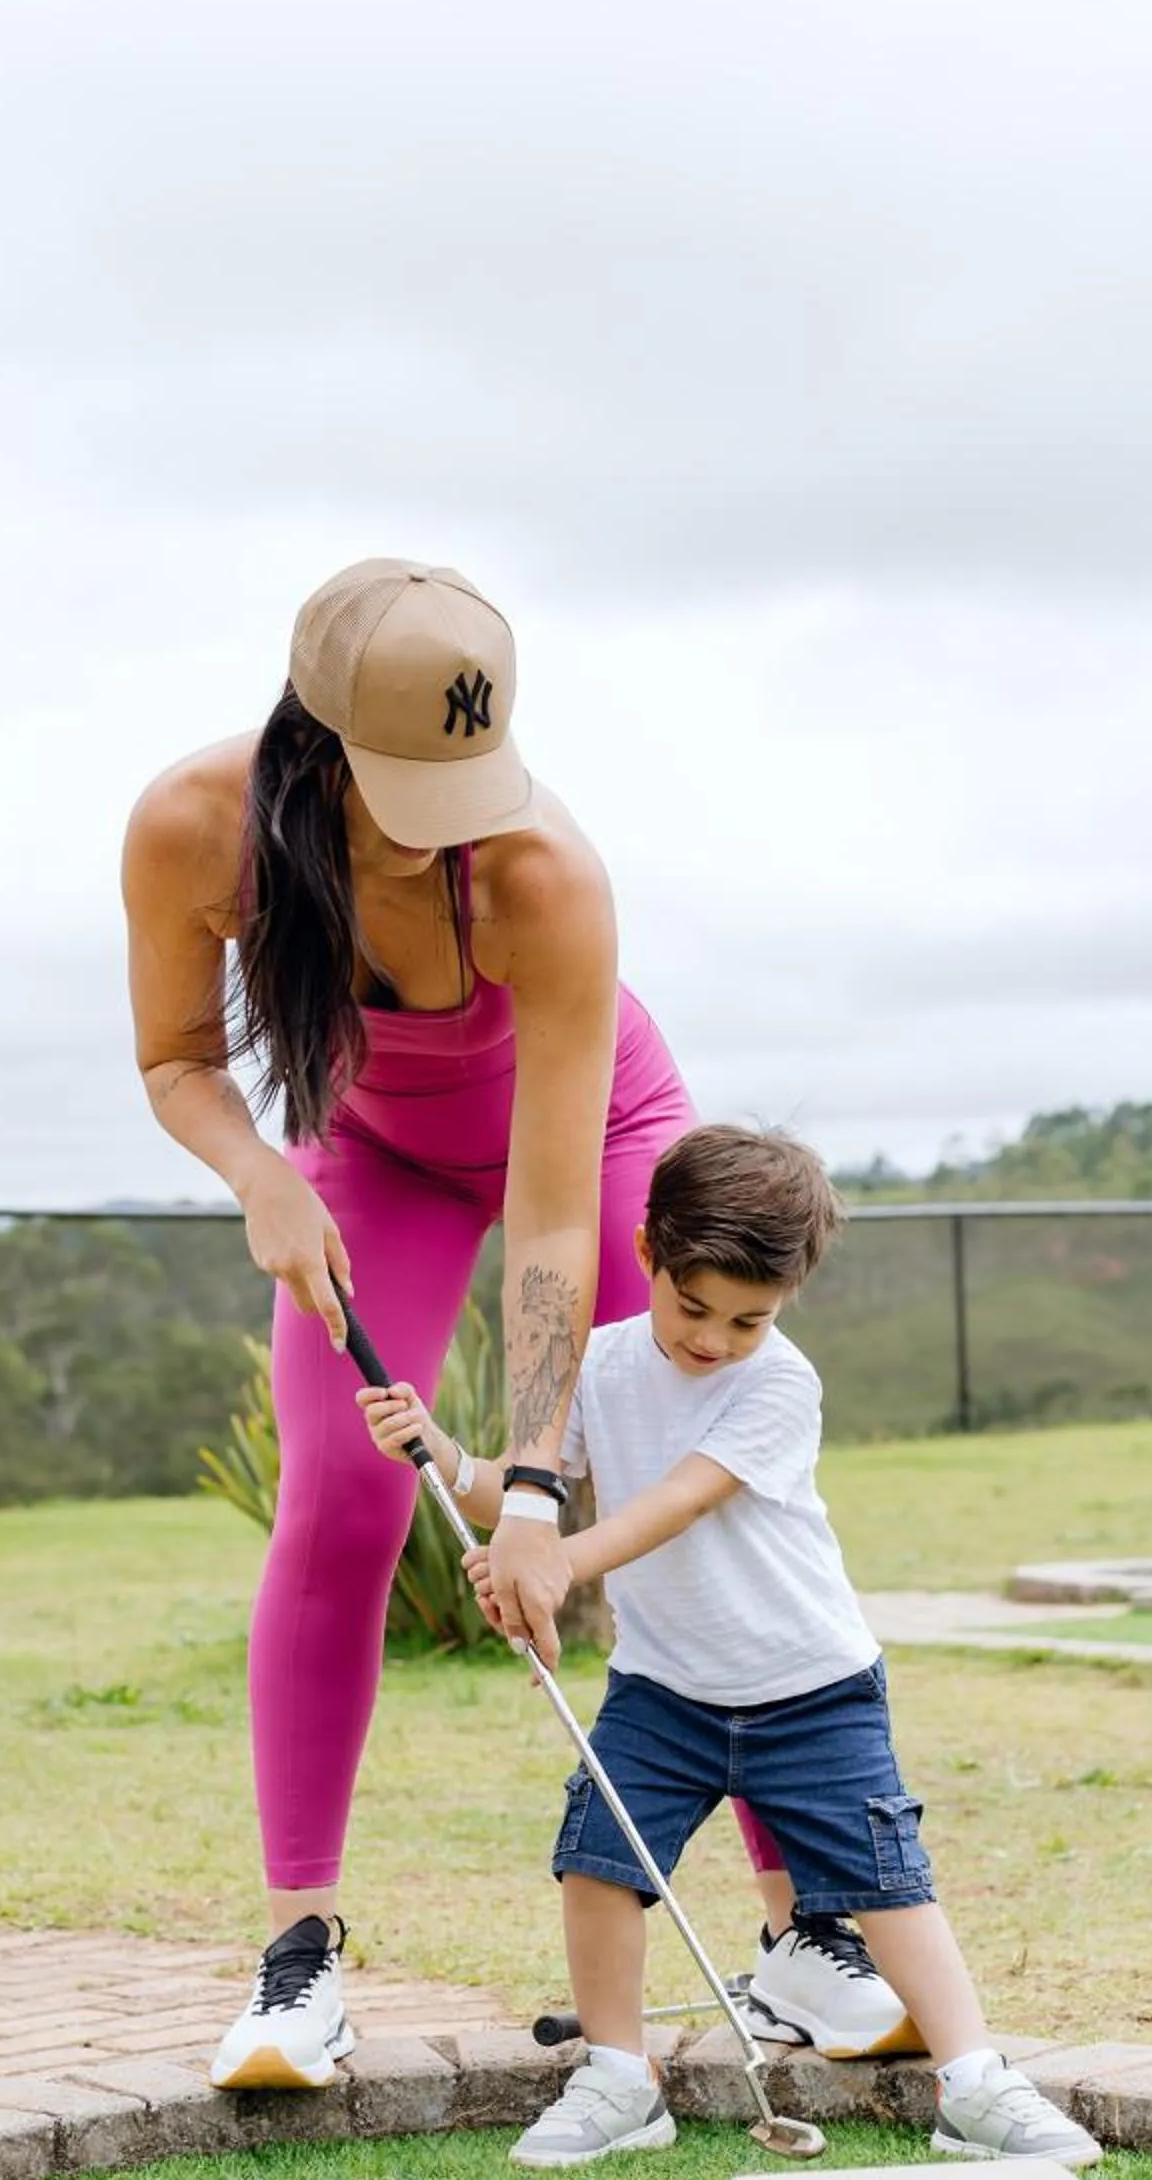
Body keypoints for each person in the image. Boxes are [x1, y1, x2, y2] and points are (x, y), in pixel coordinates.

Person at [122, 560, 907, 2088]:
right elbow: (176, 1061)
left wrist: (535, 1491)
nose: (451, 826)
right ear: (317, 743)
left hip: (599, 1141)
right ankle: (299, 1959)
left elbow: (551, 1223)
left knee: (695, 1493)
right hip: (373, 1158)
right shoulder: (189, 826)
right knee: (342, 1500)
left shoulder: (543, 873)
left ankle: (806, 1933)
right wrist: (261, 1177)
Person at [359, 1122, 1103, 2171]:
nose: (713, 1339)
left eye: (748, 1319)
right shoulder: (598, 1363)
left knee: (886, 1882)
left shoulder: (779, 1385)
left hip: (812, 1689)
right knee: (597, 1862)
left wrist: (554, 1564)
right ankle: (620, 2078)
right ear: (646, 1254)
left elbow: (676, 1503)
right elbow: (518, 1490)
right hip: (663, 1691)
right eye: (693, 1306)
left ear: (786, 1300)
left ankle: (973, 2083)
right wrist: (440, 1453)